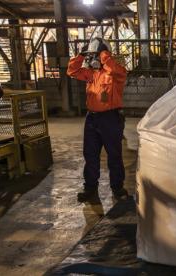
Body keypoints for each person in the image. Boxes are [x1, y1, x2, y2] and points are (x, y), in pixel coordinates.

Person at [67, 37, 128, 201]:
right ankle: (90, 188)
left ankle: (117, 187)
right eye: (93, 55)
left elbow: (115, 70)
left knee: (114, 155)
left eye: (97, 55)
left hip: (110, 118)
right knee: (90, 154)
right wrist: (81, 54)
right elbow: (72, 71)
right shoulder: (90, 74)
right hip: (92, 119)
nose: (94, 58)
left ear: (105, 54)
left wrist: (104, 55)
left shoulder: (116, 73)